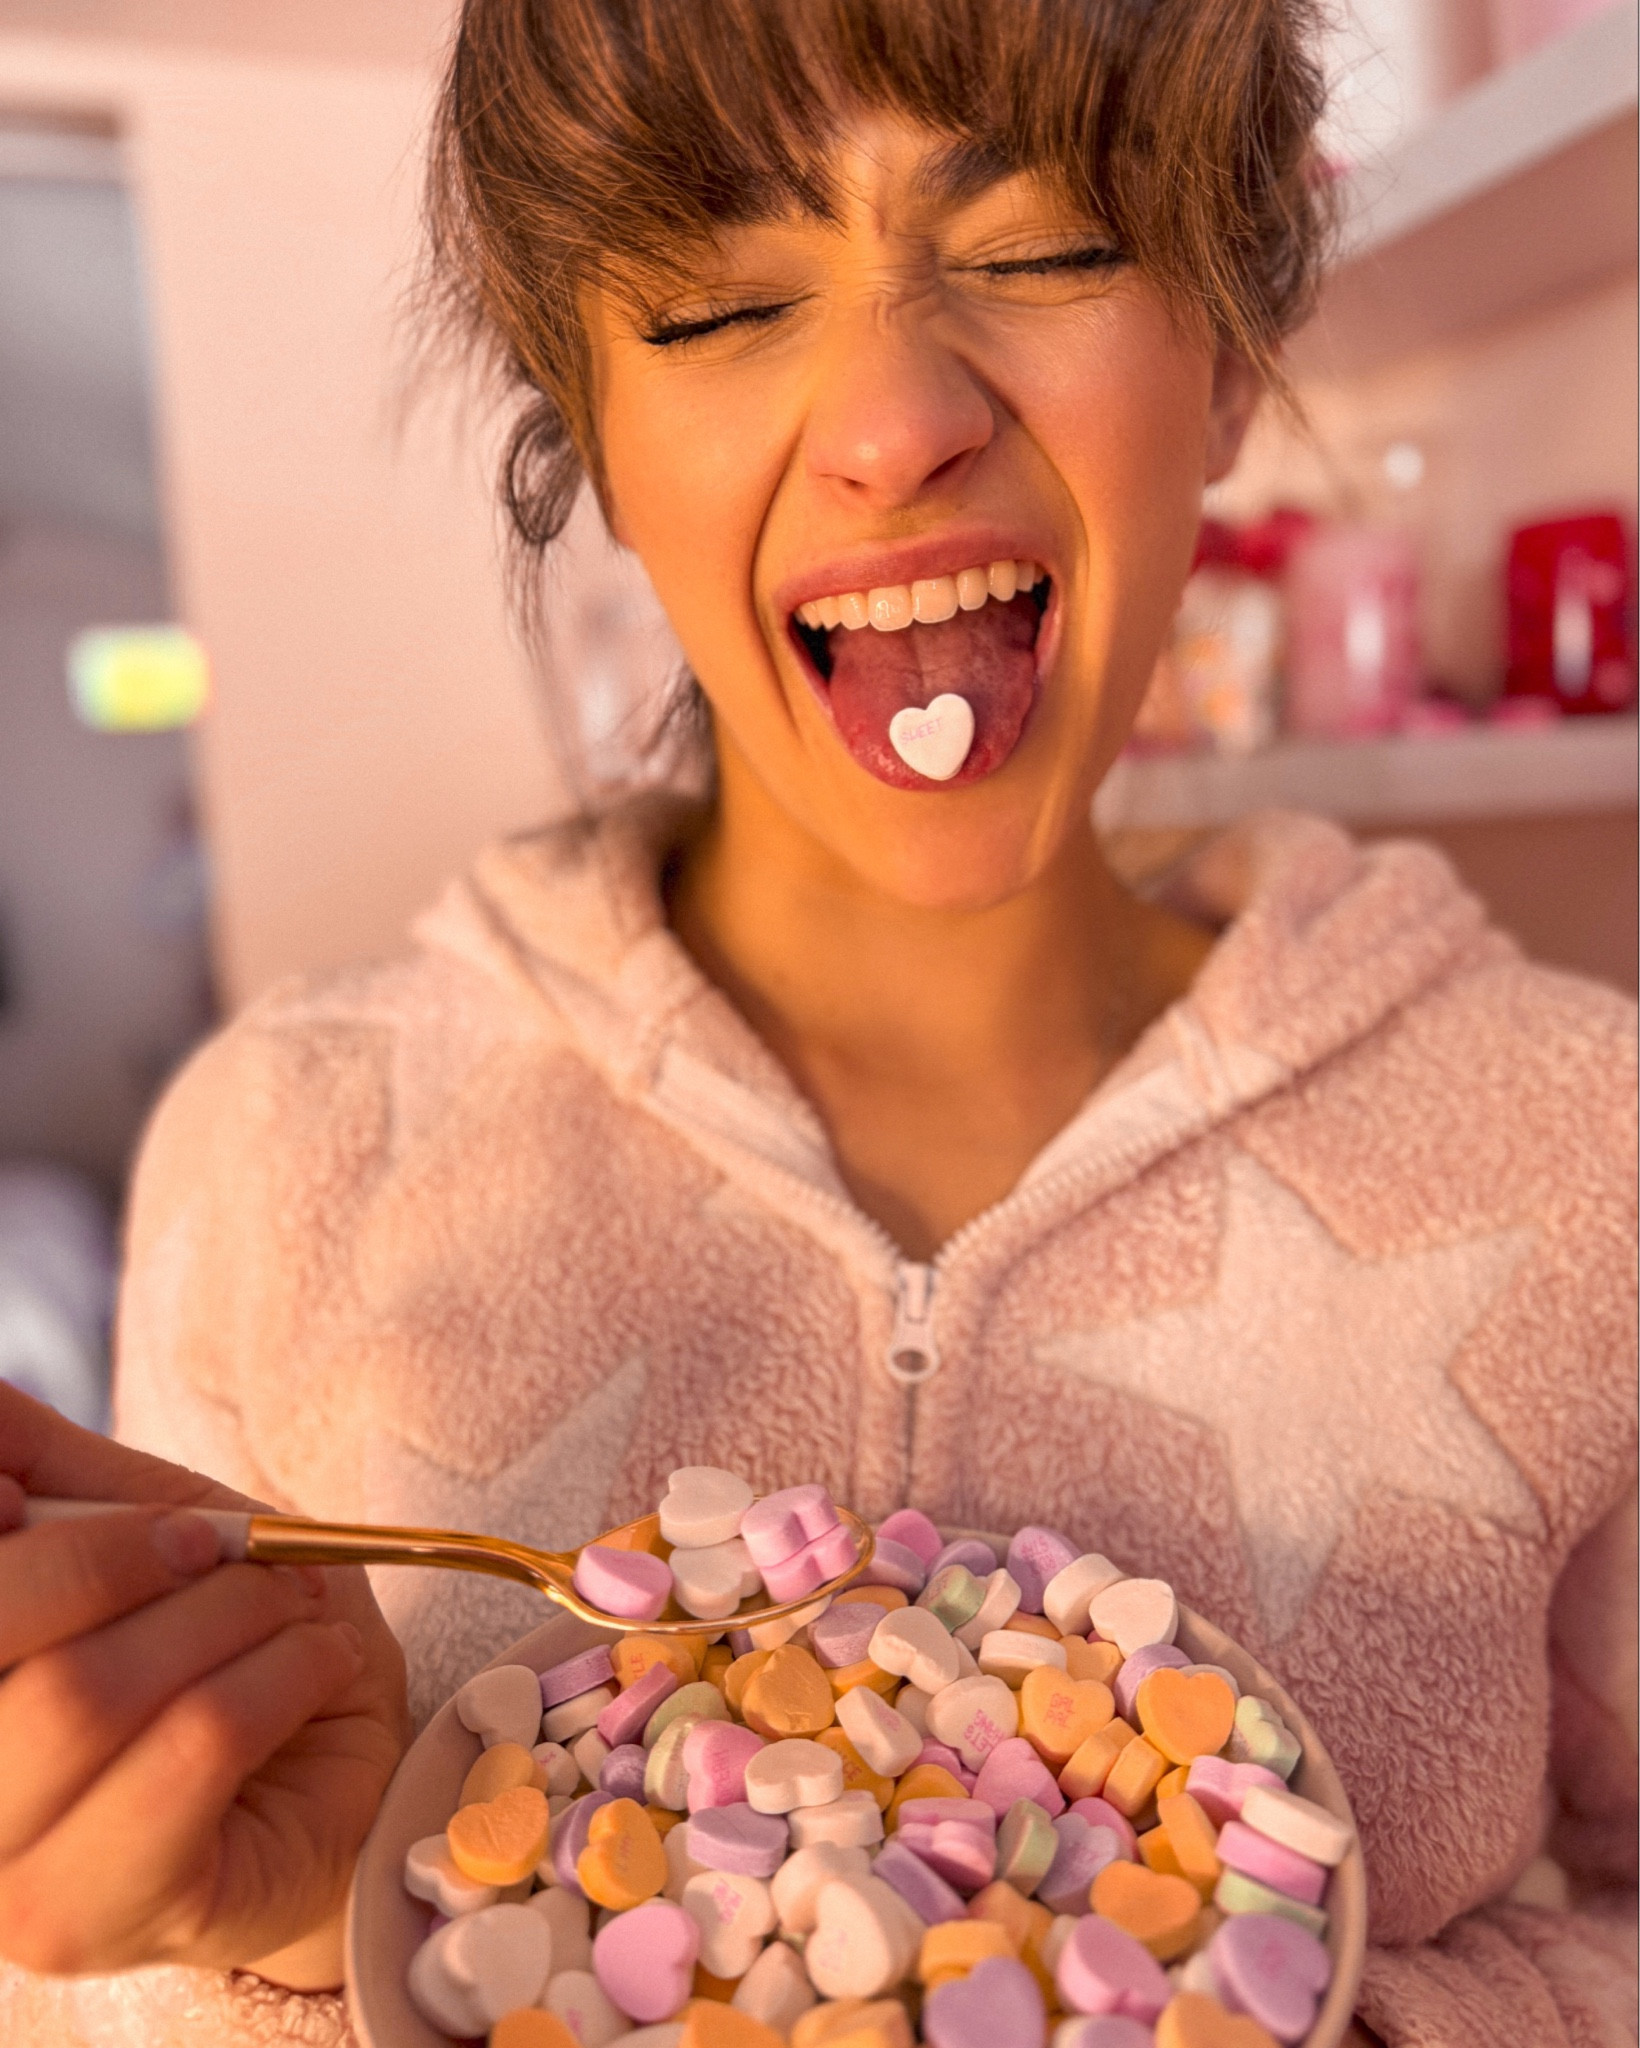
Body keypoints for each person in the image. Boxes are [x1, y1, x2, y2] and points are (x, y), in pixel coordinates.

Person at [1, 1, 1633, 2042]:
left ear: (1229, 351)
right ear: (589, 434)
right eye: (707, 306)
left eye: (1040, 248)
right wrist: (295, 1928)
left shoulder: (1587, 1145)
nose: (888, 421)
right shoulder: (281, 1146)